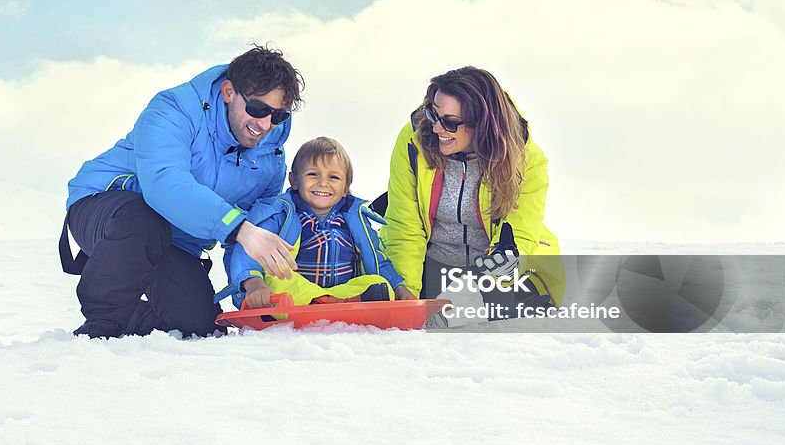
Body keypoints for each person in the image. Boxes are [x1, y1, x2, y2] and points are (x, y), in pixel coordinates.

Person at [59, 45, 304, 338]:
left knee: (200, 328)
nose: (264, 124)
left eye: (277, 116)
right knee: (143, 221)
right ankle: (100, 325)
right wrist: (239, 228)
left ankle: (132, 316)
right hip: (105, 207)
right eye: (258, 109)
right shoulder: (174, 109)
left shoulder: (272, 158)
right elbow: (163, 183)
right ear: (228, 92)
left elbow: (256, 230)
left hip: (176, 242)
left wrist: (250, 282)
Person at [379, 66, 564, 317]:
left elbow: (520, 231)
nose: (436, 129)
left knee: (510, 312)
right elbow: (404, 226)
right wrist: (406, 289)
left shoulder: (527, 158)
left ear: (483, 123)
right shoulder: (413, 144)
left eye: (450, 123)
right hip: (434, 264)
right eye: (433, 115)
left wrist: (490, 281)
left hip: (495, 265)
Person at [219, 137, 415, 309]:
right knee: (278, 280)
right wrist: (254, 284)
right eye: (313, 174)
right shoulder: (281, 214)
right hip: (296, 293)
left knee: (378, 283)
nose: (323, 183)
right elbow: (249, 248)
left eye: (334, 177)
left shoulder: (355, 219)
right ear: (294, 181)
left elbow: (378, 258)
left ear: (346, 187)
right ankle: (320, 303)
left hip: (342, 292)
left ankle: (332, 303)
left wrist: (398, 286)